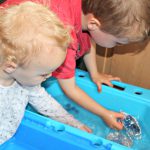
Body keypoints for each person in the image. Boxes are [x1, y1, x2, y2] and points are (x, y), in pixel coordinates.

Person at [1, 0, 149, 130]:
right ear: (94, 23)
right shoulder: (64, 35)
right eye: (117, 42)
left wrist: (95, 73)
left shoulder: (83, 12)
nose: (51, 75)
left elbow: (88, 39)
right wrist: (104, 113)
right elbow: (70, 89)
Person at [0, 2, 91, 145]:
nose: (49, 77)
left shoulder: (25, 81)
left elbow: (46, 103)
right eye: (43, 74)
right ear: (11, 66)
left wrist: (73, 123)